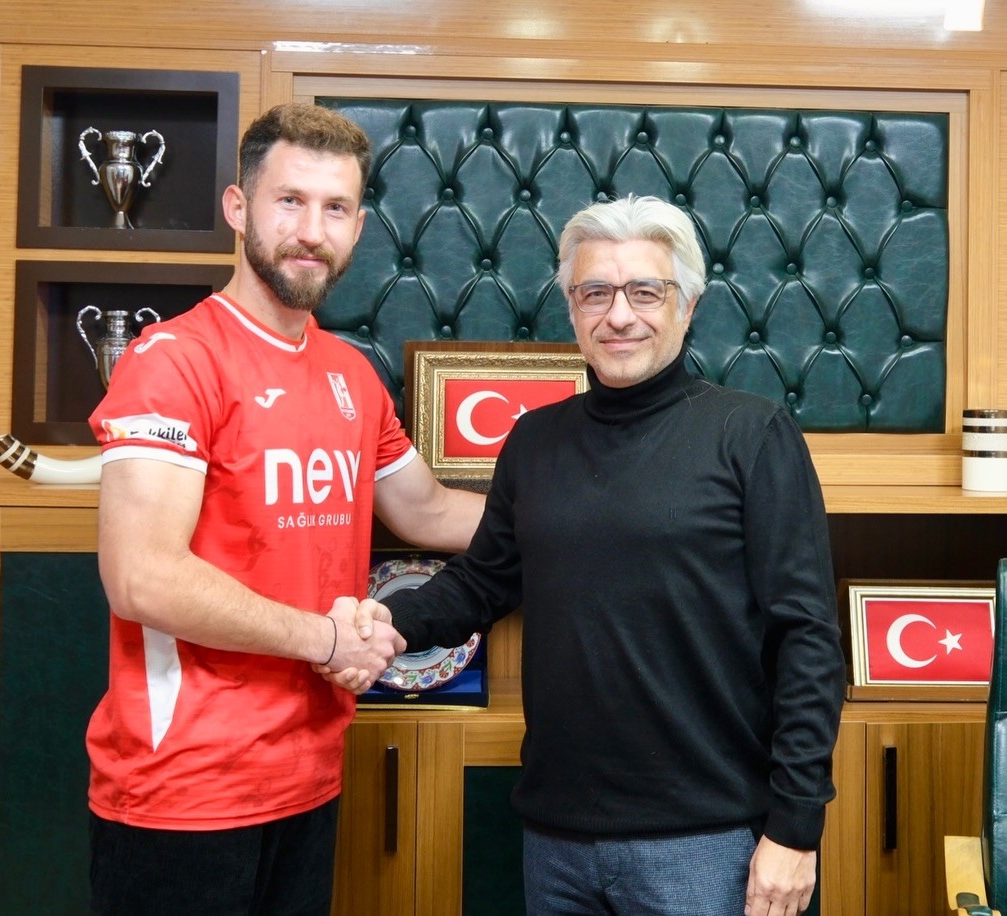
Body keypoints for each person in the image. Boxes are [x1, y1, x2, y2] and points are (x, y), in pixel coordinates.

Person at [339, 195, 845, 916]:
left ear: (687, 306)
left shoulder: (752, 435)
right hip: (557, 839)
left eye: (645, 291)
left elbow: (808, 640)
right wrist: (385, 624)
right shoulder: (534, 441)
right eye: (595, 292)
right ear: (572, 309)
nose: (619, 315)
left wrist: (795, 828)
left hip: (707, 841)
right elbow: (483, 582)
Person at [83, 102, 484, 916]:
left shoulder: (350, 373)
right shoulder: (173, 362)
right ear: (238, 208)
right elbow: (140, 577)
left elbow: (428, 511)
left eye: (334, 209)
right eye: (289, 201)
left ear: (357, 228)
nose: (310, 231)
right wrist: (327, 639)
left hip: (307, 774)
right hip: (185, 788)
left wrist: (586, 508)